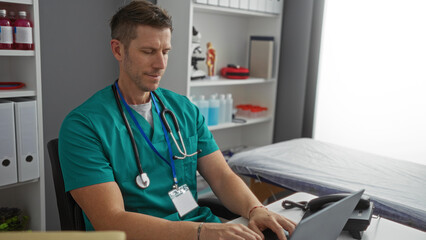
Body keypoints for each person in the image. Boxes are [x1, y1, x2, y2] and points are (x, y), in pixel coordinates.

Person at [58, 1, 296, 240]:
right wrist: (202, 232)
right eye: (148, 51)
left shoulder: (183, 110)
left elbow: (222, 177)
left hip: (199, 229)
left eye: (165, 52)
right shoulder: (83, 127)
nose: (160, 64)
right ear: (118, 50)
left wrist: (255, 209)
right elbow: (111, 221)